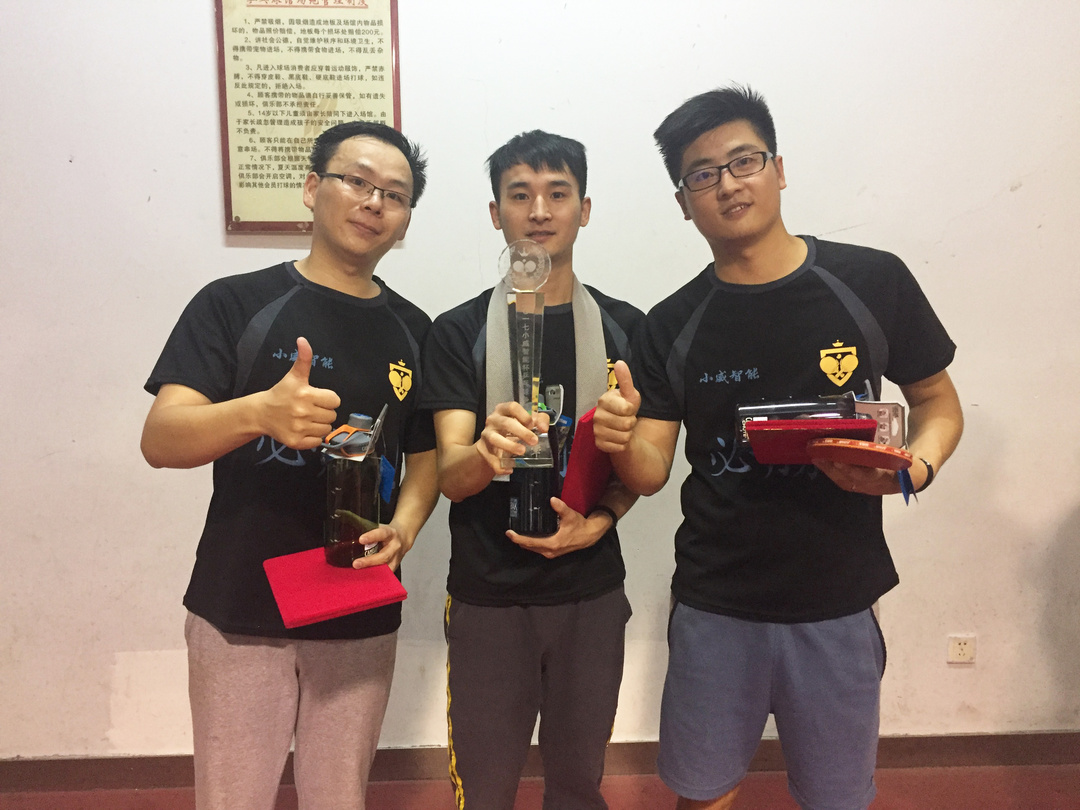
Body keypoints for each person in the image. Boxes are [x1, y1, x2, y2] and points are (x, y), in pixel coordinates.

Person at [593, 86, 964, 810]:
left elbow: (937, 403)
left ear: (779, 169)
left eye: (745, 161)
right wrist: (618, 439)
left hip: (839, 598)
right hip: (716, 602)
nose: (729, 185)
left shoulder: (870, 281)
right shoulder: (672, 322)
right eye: (703, 174)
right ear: (683, 202)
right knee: (703, 793)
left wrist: (914, 469)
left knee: (837, 797)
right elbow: (651, 469)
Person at [140, 120, 440, 810]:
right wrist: (258, 413)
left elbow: (425, 456)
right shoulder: (233, 303)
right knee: (233, 797)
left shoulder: (416, 330)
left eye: (395, 194)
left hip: (357, 600)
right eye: (356, 181)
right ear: (312, 188)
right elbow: (162, 438)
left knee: (339, 796)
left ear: (405, 220)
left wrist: (406, 527)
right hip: (240, 602)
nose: (374, 202)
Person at [419, 130, 645, 810]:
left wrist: (600, 520)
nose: (540, 210)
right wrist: (486, 451)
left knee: (578, 784)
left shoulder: (627, 330)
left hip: (590, 591)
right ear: (496, 214)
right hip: (490, 593)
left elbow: (635, 468)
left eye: (558, 193)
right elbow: (451, 476)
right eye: (520, 195)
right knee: (484, 788)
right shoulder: (457, 331)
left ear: (585, 208)